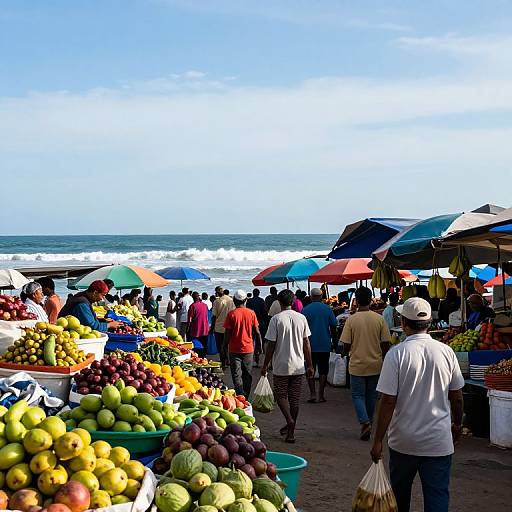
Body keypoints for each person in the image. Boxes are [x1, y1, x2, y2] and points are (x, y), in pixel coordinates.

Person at [371, 298, 464, 512]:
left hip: (404, 441)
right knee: (437, 495)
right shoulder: (446, 352)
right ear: (430, 323)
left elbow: (387, 401)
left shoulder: (397, 354)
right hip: (438, 440)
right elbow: (457, 396)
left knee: (400, 495)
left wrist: (377, 440)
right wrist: (457, 425)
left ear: (403, 323)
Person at [262, 289, 314, 443]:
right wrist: (310, 364)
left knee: (280, 395)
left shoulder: (276, 319)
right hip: (298, 365)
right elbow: (306, 343)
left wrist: (266, 364)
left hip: (281, 365)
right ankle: (291, 430)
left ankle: (290, 422)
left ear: (279, 302)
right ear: (293, 301)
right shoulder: (301, 318)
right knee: (294, 398)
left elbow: (271, 344)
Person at [341, 286, 391, 441]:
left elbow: (346, 345)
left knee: (357, 395)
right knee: (371, 396)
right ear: (371, 300)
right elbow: (386, 343)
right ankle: (368, 423)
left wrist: (349, 351)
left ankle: (365, 422)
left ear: (356, 301)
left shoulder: (352, 320)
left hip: (357, 363)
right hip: (375, 363)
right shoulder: (379, 319)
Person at [224, 290, 262, 397]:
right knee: (247, 374)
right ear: (245, 300)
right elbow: (257, 332)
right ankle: (245, 396)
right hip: (248, 349)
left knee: (236, 374)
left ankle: (240, 396)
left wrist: (224, 347)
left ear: (234, 301)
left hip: (234, 349)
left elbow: (227, 334)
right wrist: (259, 346)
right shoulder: (251, 313)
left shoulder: (231, 314)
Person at [302, 288, 337, 403]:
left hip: (309, 345)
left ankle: (312, 394)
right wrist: (334, 341)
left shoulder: (305, 310)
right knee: (323, 370)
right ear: (321, 296)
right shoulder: (327, 309)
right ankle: (321, 395)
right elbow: (333, 326)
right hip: (324, 344)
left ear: (311, 297)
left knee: (310, 368)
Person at [211, 289, 235, 367]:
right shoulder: (231, 300)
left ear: (218, 293)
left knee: (220, 345)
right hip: (230, 327)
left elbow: (214, 316)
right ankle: (228, 360)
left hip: (219, 327)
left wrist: (212, 327)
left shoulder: (217, 301)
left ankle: (223, 361)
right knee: (228, 345)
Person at [247, 288, 267, 366]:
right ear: (258, 293)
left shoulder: (249, 301)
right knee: (260, 340)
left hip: (251, 323)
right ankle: (258, 357)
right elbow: (264, 312)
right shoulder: (262, 300)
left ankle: (253, 358)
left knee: (251, 340)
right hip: (260, 323)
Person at [187, 292, 209, 357]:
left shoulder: (192, 306)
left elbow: (190, 320)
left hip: (196, 329)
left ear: (193, 298)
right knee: (204, 344)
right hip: (205, 328)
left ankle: (198, 356)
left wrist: (187, 329)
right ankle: (203, 357)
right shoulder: (205, 305)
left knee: (195, 345)